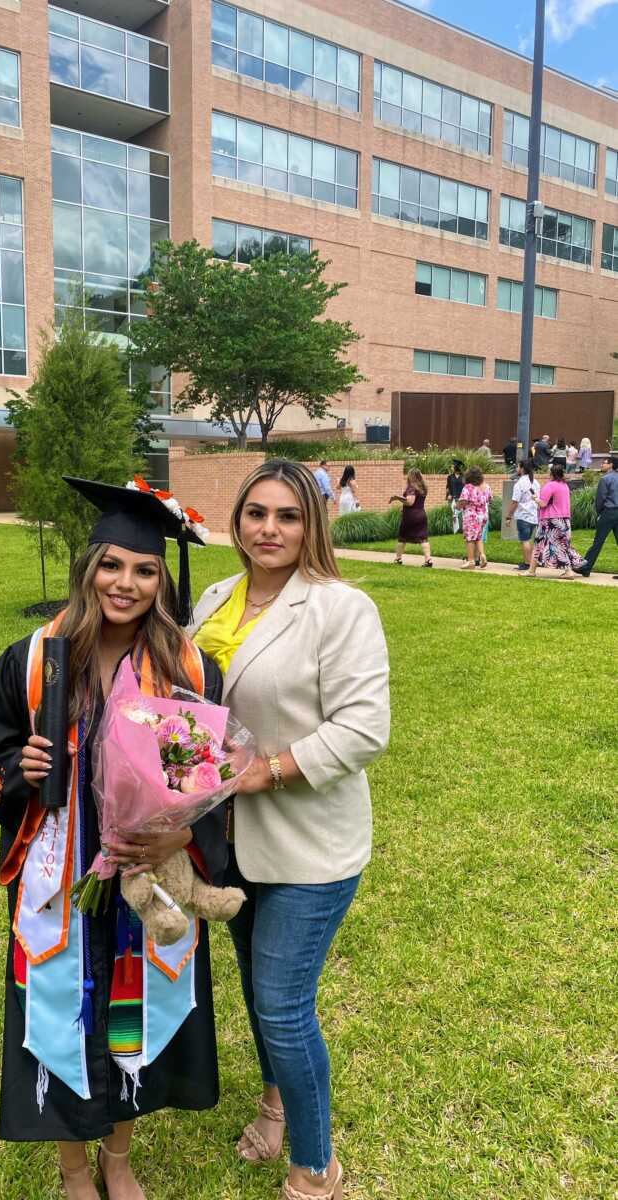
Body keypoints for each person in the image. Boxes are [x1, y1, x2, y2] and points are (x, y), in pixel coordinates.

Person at [0, 477, 226, 1200]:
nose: (127, 583)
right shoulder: (33, 660)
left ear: (161, 580)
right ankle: (73, 1167)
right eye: (112, 565)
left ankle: (118, 1157)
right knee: (67, 1009)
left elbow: (202, 783)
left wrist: (179, 828)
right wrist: (18, 770)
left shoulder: (187, 667)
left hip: (144, 867)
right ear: (88, 569)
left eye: (145, 570)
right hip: (61, 868)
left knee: (127, 1010)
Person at [190, 459, 390, 1200]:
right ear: (236, 520)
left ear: (312, 524)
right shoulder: (214, 598)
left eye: (287, 516)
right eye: (255, 513)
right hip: (229, 841)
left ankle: (316, 1167)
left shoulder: (341, 608)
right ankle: (274, 1102)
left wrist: (267, 771)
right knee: (253, 985)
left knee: (282, 1003)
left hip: (310, 843)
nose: (268, 529)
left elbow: (365, 730)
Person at [528, 465, 585, 580]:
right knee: (562, 544)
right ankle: (531, 570)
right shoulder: (564, 486)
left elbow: (543, 504)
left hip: (550, 521)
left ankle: (568, 572)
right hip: (564, 520)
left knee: (542, 543)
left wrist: (535, 498)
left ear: (551, 474)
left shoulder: (550, 486)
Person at [577, 455, 618, 577]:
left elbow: (600, 499)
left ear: (611, 465)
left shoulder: (605, 479)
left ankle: (586, 567)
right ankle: (585, 567)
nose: (602, 465)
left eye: (604, 463)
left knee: (598, 541)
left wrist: (600, 512)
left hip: (608, 512)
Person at [391, 468, 433, 566]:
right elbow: (417, 502)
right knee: (423, 538)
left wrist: (397, 498)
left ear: (411, 477)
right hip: (421, 514)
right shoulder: (423, 488)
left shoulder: (411, 488)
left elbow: (410, 502)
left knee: (402, 538)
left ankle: (398, 559)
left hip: (411, 516)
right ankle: (428, 560)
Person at [505, 459, 540, 571]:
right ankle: (531, 563)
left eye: (518, 467)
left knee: (524, 540)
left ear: (522, 468)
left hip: (523, 516)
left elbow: (515, 502)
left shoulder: (519, 483)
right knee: (529, 539)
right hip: (534, 516)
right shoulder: (536, 482)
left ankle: (527, 563)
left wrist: (508, 516)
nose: (517, 469)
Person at [458, 466, 491, 569]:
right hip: (483, 515)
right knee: (479, 536)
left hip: (471, 516)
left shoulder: (468, 487)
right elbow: (489, 499)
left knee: (470, 537)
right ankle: (482, 556)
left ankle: (471, 561)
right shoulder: (487, 487)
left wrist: (457, 506)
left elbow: (463, 501)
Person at [446, 459, 466, 541]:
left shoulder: (464, 477)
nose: (451, 467)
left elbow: (466, 487)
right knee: (454, 514)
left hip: (462, 498)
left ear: (456, 467)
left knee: (463, 515)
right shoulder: (450, 477)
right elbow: (448, 487)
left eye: (453, 466)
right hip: (453, 498)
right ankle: (455, 530)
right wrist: (448, 495)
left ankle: (463, 530)